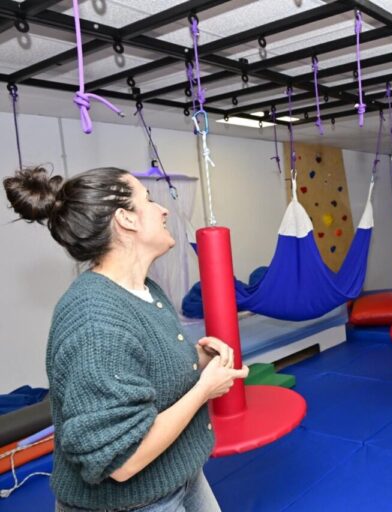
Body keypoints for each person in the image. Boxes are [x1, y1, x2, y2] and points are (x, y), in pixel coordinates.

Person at [3, 166, 248, 511]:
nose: (162, 210)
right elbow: (122, 461)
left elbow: (139, 373)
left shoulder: (146, 290)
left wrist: (198, 358)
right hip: (130, 503)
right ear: (126, 219)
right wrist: (204, 389)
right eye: (148, 200)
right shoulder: (94, 320)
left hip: (181, 476)